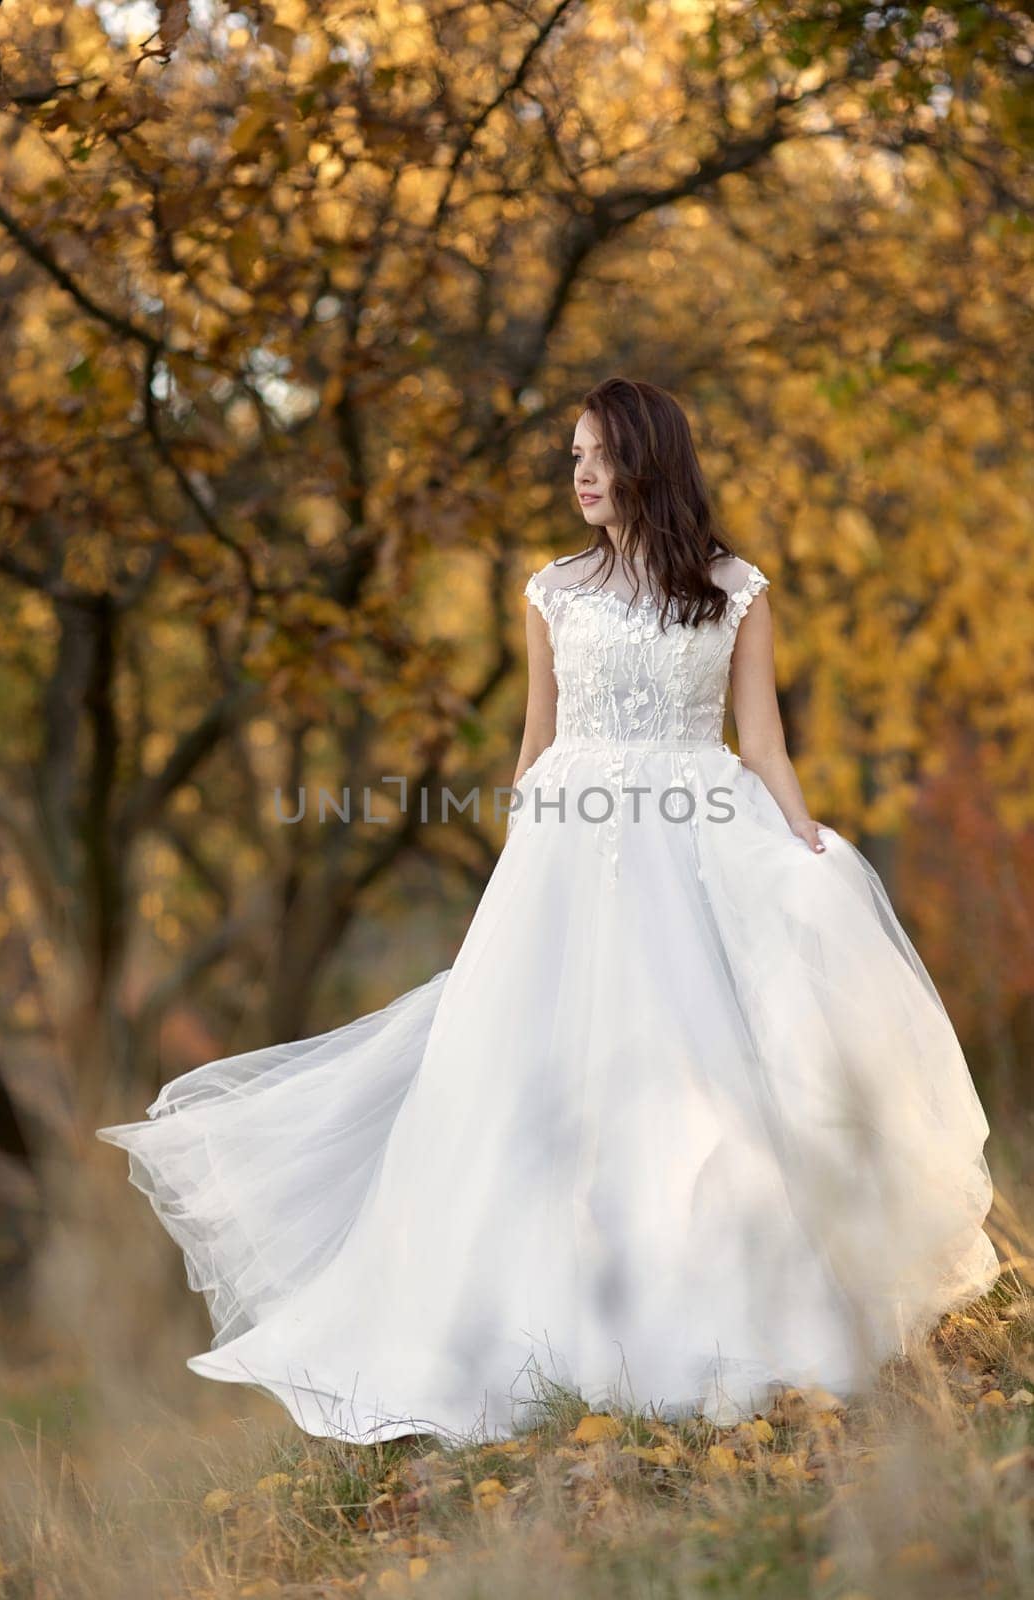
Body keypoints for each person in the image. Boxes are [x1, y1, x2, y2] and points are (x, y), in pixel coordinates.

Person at [97, 376, 999, 1442]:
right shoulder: (550, 591)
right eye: (571, 454)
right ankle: (543, 1333)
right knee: (534, 1081)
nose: (578, 474)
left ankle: (718, 1309)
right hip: (569, 848)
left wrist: (799, 842)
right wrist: (521, 868)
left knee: (702, 1068)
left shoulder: (732, 588)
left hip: (694, 829)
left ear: (645, 463)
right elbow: (535, 742)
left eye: (597, 456)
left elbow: (759, 744)